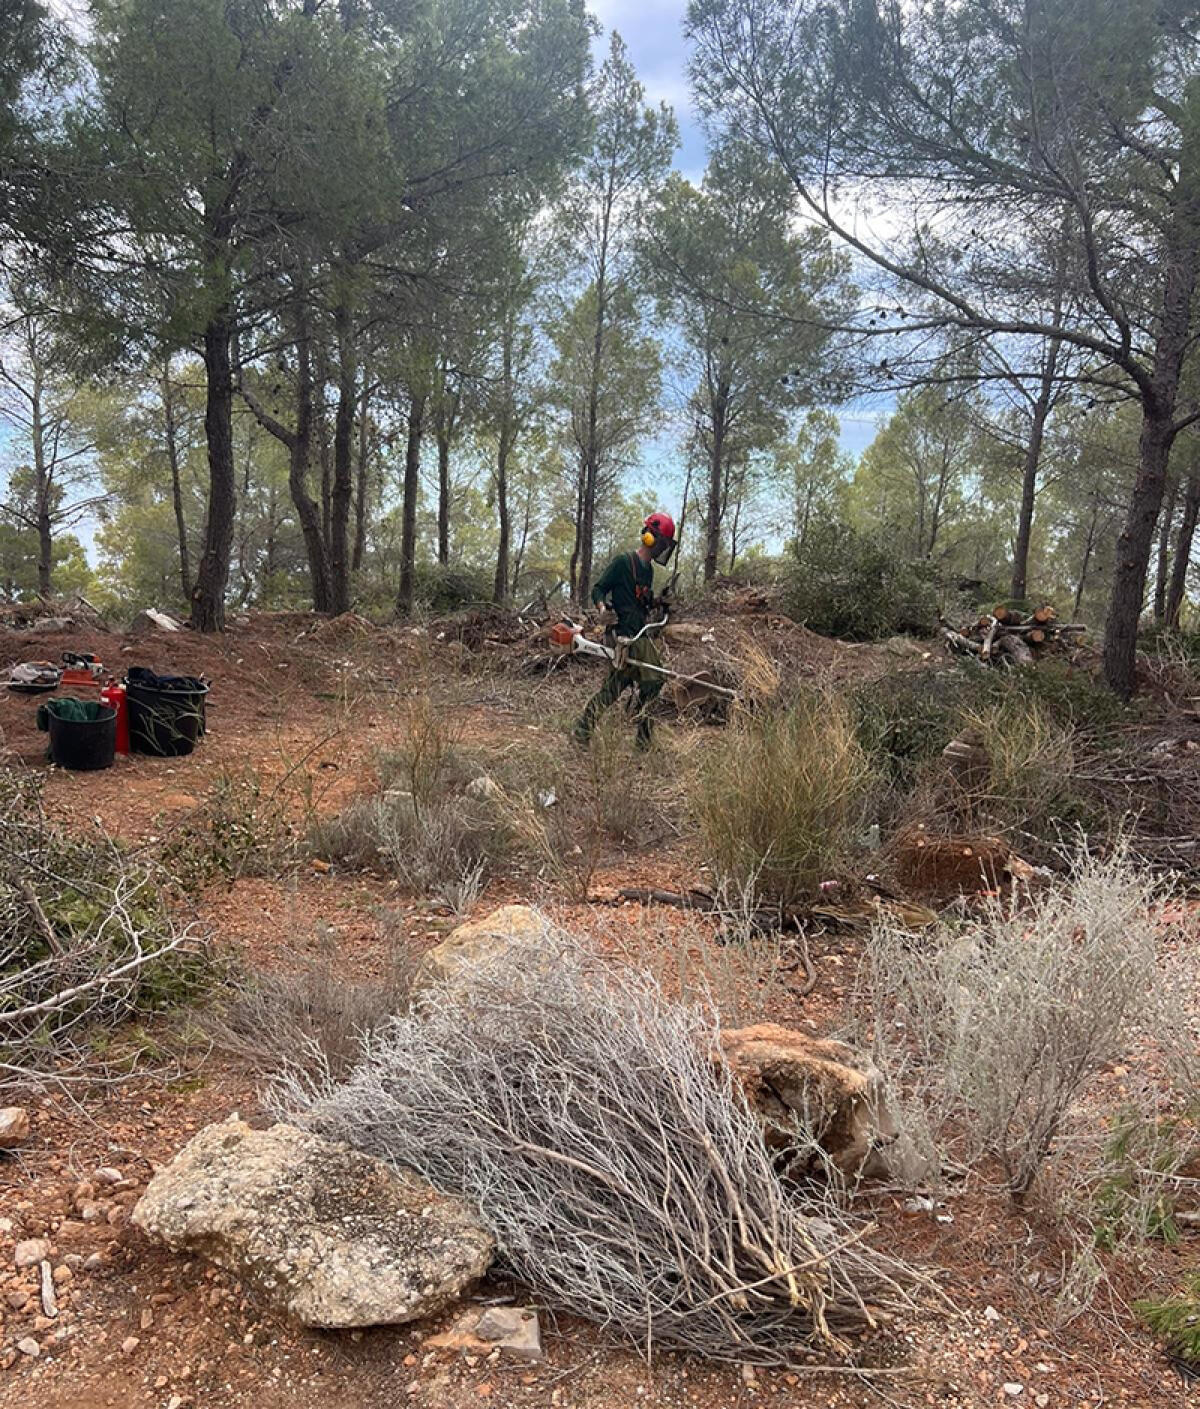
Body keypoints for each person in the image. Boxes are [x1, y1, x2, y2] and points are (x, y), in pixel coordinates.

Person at [572, 511, 677, 751]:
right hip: (622, 635)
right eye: (661, 542)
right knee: (616, 687)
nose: (662, 548)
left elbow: (642, 601)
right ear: (651, 538)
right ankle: (582, 733)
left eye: (665, 545)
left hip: (639, 633)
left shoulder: (648, 571)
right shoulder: (623, 563)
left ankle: (642, 739)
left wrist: (660, 602)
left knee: (651, 681)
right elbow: (598, 589)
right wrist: (602, 608)